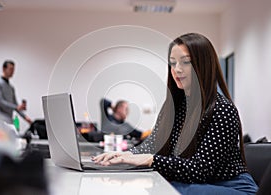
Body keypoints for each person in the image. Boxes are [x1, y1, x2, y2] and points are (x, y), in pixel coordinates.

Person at [93, 33, 258, 194]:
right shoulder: (174, 107)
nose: (177, 69)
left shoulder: (222, 109)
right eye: (172, 63)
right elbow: (153, 145)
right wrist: (124, 155)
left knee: (163, 188)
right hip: (196, 184)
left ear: (204, 65)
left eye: (186, 62)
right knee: (155, 185)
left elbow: (199, 170)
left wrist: (150, 159)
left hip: (231, 187)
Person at [0, 60, 32, 125]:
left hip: (9, 119)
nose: (12, 72)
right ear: (4, 69)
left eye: (13, 69)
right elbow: (0, 102)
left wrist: (25, 117)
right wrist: (16, 107)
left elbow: (15, 104)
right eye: (10, 69)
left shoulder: (11, 87)